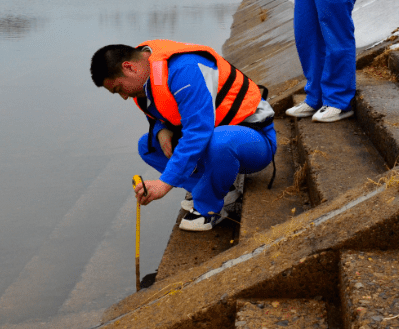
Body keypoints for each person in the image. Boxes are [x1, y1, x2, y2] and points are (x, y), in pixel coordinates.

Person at [90, 40, 277, 231]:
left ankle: (209, 210)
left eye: (119, 88)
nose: (123, 97)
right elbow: (161, 115)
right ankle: (218, 191)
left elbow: (198, 131)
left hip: (255, 140)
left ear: (128, 67)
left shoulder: (183, 69)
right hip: (217, 141)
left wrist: (165, 183)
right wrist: (161, 131)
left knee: (219, 142)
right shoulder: (144, 83)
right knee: (147, 146)